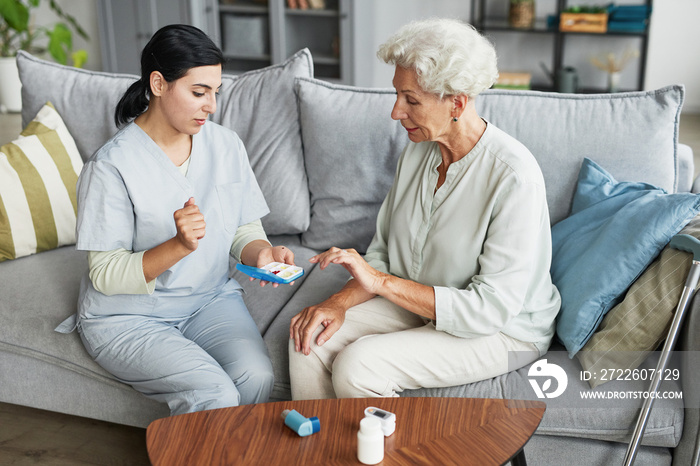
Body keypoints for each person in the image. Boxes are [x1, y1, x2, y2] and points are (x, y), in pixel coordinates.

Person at [288, 18, 561, 400]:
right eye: (397, 95)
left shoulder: (514, 176)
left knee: (359, 365)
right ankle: (319, 455)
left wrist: (381, 283)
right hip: (420, 303)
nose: (396, 112)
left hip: (502, 330)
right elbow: (383, 256)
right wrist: (336, 303)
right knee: (310, 336)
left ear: (457, 103)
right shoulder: (418, 152)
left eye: (411, 100)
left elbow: (489, 310)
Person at [56, 24, 293, 414]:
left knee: (256, 376)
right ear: (158, 83)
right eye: (199, 92)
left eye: (216, 92)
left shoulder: (226, 145)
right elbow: (107, 274)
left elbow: (243, 228)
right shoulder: (110, 167)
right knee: (213, 393)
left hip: (208, 300)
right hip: (128, 316)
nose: (211, 105)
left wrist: (262, 253)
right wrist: (179, 246)